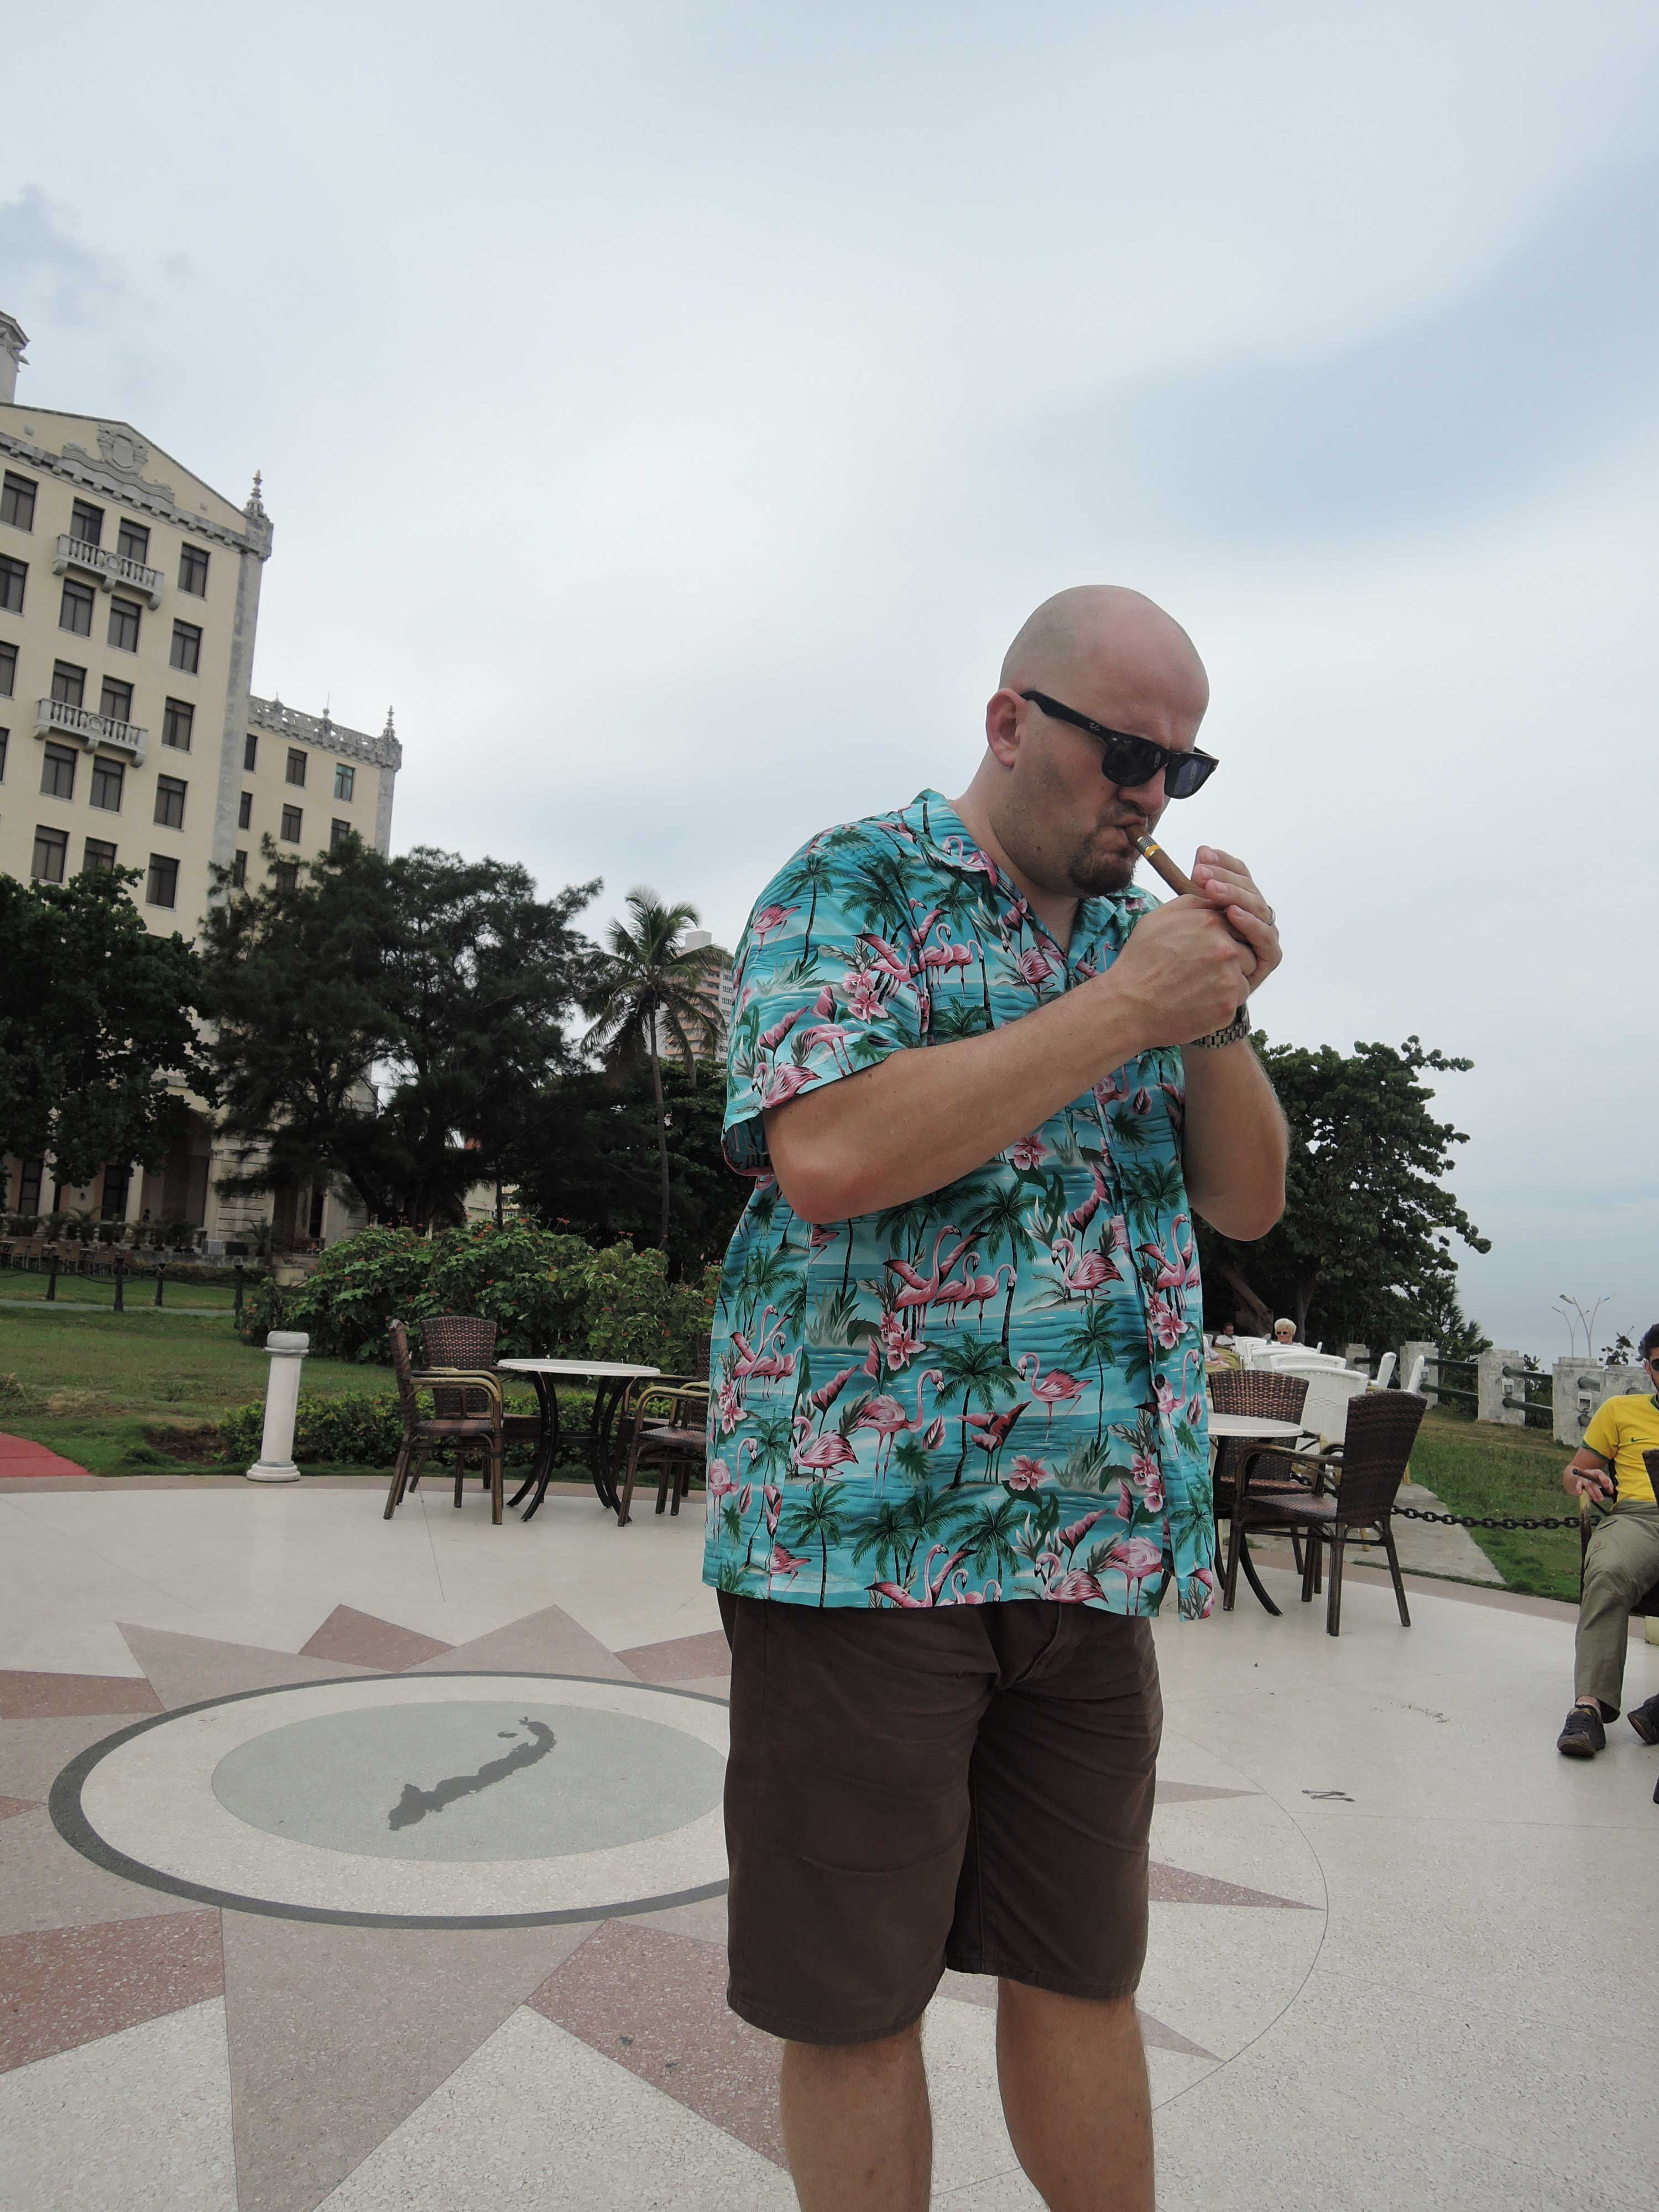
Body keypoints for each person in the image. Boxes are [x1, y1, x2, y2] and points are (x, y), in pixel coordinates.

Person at [705, 586, 1287, 2211]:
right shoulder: (852, 882)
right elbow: (825, 1153)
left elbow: (1244, 1202)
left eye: (1186, 766)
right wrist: (1125, 1012)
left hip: (1092, 1550)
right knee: (856, 1994)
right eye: (1124, 752)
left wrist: (1217, 1007)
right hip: (864, 1543)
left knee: (1082, 1969)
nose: (1152, 797)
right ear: (1010, 719)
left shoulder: (1139, 947)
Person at [1556, 1322, 1659, 1757]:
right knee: (1608, 1570)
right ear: (1649, 1368)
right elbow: (1570, 1472)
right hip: (1641, 1517)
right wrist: (1584, 1478)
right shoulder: (1620, 1410)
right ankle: (1589, 1710)